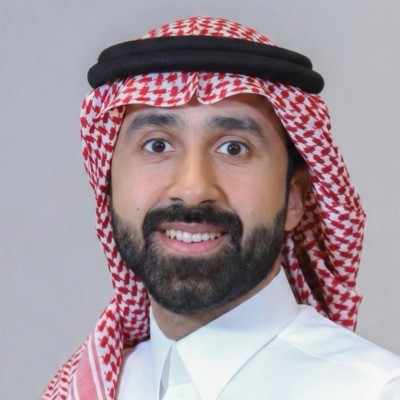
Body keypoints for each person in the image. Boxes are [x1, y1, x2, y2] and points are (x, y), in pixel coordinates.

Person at [42, 16, 400, 400]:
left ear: (295, 198)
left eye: (233, 148)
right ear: (108, 184)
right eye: (157, 145)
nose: (193, 189)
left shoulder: (372, 390)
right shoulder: (87, 386)